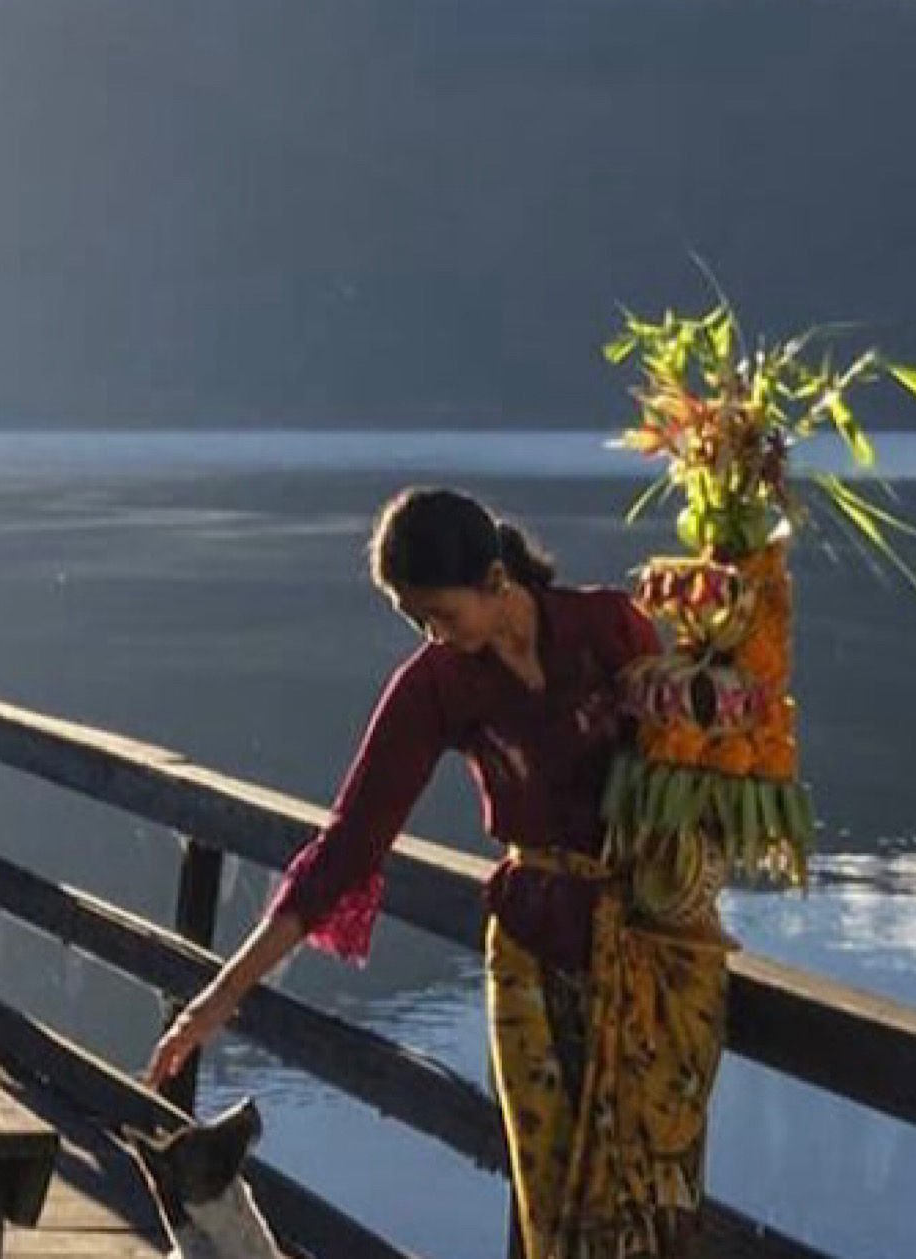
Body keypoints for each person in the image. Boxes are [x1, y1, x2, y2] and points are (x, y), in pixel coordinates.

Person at [143, 487, 728, 1259]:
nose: (435, 635)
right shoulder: (436, 685)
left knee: (652, 1186)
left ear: (494, 579)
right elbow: (348, 844)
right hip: (529, 948)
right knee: (553, 1199)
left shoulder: (604, 628)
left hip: (641, 947)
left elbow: (683, 761)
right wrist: (219, 997)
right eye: (418, 621)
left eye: (440, 614)